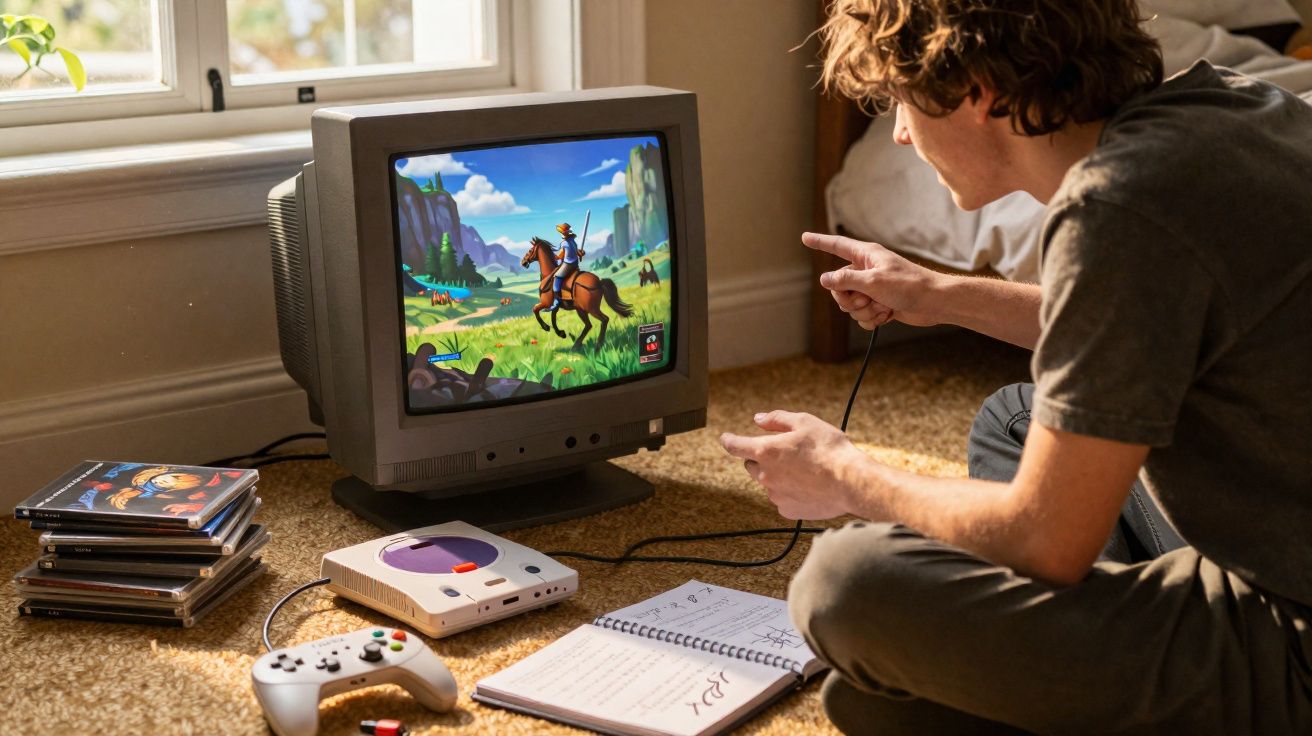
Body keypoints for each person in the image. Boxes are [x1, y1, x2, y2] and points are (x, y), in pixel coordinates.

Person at [719, 1, 1312, 733]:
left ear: (977, 92)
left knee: (846, 588)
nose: (901, 132)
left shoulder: (1121, 203)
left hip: (1294, 630)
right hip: (1275, 517)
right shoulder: (1221, 102)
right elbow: (1143, 319)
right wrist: (938, 295)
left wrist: (844, 476)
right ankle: (1099, 658)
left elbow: (1044, 542)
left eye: (902, 103)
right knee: (1017, 417)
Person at [549, 222, 582, 311]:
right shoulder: (572, 241)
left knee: (557, 276)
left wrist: (548, 248)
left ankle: (556, 301)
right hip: (575, 263)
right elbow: (575, 251)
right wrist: (580, 253)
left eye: (563, 232)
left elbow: (556, 249)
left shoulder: (564, 242)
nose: (562, 233)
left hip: (568, 264)